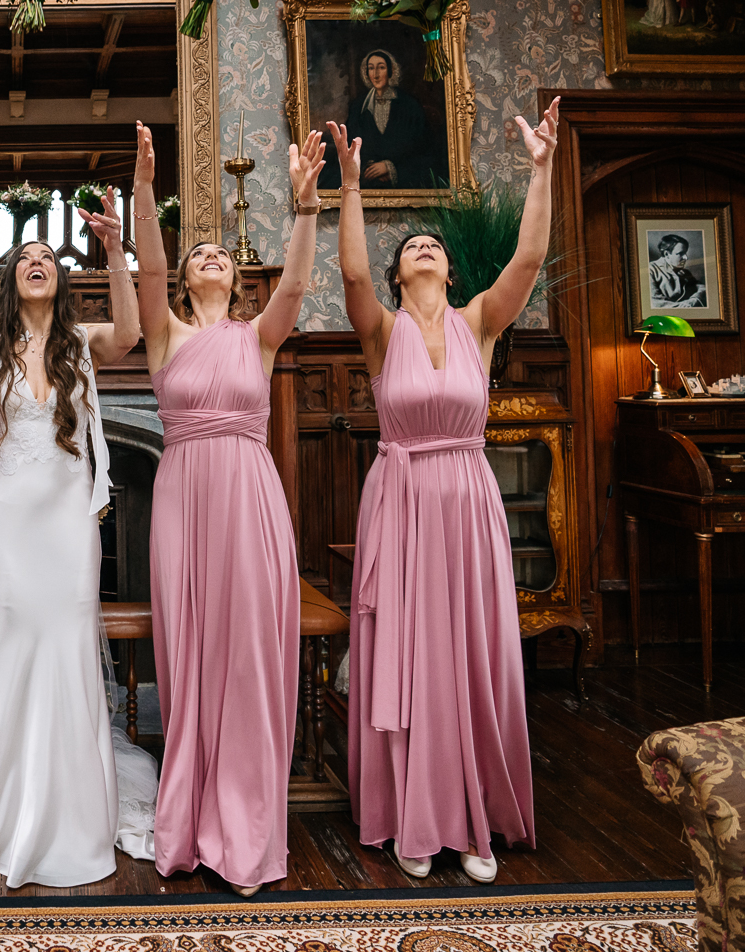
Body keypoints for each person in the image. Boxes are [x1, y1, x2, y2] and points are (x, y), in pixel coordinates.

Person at [333, 97, 560, 886]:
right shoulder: (381, 332)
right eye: (414, 247)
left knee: (468, 657)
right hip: (400, 505)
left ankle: (473, 818)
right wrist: (351, 186)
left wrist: (542, 169)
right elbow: (352, 270)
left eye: (434, 245)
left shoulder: (479, 322)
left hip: (467, 503)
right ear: (401, 273)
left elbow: (528, 262)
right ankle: (414, 819)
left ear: (449, 269)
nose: (425, 248)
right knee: (410, 655)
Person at [0, 145, 154, 887]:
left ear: (62, 277)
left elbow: (130, 332)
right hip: (9, 523)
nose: (36, 259)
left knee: (66, 646)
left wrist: (115, 248)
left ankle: (70, 813)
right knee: (15, 649)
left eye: (46, 254)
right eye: (24, 255)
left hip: (68, 524)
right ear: (12, 277)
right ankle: (8, 813)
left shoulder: (82, 345)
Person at [138, 122, 325, 897]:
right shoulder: (167, 332)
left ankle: (246, 824)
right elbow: (145, 266)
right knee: (188, 655)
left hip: (249, 496)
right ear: (186, 282)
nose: (209, 257)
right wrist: (146, 192)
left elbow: (297, 287)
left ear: (234, 278)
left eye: (220, 254)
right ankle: (188, 818)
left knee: (247, 652)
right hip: (182, 499)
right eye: (197, 257)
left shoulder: (260, 338)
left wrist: (306, 208)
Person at [329, 50, 437, 191]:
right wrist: (369, 168)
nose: (376, 74)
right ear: (366, 73)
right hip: (367, 184)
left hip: (404, 184)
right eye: (371, 68)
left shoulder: (409, 105)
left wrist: (391, 168)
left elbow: (423, 150)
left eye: (381, 67)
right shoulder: (358, 106)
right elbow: (351, 145)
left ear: (391, 71)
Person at [649, 233, 706, 308]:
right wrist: (687, 306)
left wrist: (694, 300)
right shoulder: (650, 270)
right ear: (666, 254)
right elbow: (656, 303)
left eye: (685, 253)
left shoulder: (684, 272)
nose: (685, 257)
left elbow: (702, 287)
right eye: (680, 253)